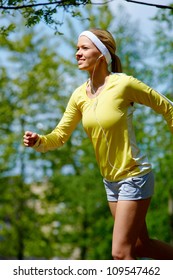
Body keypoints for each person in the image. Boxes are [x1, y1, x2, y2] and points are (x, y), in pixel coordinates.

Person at [23, 28, 173, 260]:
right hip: (111, 182)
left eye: (84, 48)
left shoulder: (123, 84)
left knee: (120, 254)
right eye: (76, 49)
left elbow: (167, 107)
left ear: (102, 54)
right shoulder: (79, 95)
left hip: (134, 176)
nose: (77, 53)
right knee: (141, 247)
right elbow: (60, 136)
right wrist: (39, 141)